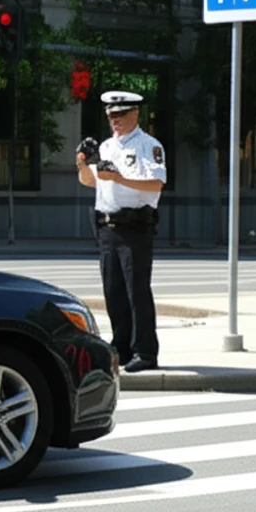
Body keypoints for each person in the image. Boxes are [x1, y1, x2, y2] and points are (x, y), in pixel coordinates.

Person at [75, 90, 166, 374]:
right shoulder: (106, 147)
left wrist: (118, 177)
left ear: (135, 113)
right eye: (111, 116)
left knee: (136, 291)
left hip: (135, 226)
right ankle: (123, 347)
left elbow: (156, 184)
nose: (115, 121)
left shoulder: (148, 145)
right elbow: (91, 182)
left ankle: (146, 351)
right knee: (113, 292)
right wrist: (82, 163)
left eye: (121, 115)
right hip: (107, 226)